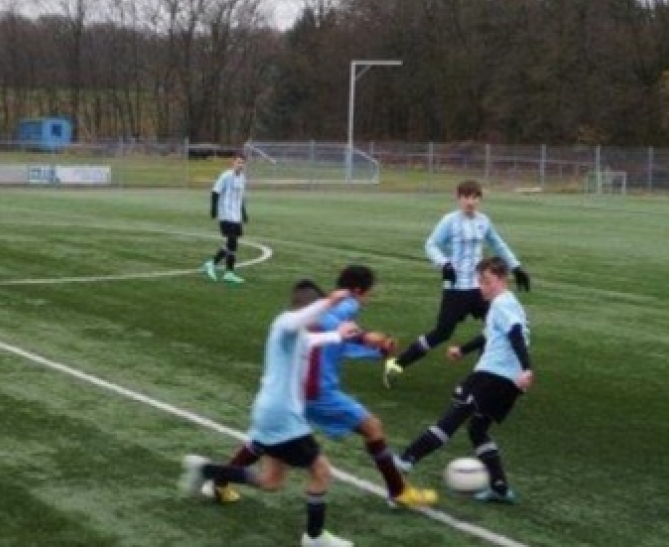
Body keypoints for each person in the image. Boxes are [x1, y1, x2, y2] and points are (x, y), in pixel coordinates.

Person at [204, 266, 438, 510]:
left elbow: (335, 339)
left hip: (293, 394)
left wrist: (372, 346)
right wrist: (371, 342)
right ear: (358, 291)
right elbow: (334, 330)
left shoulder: (321, 309)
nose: (369, 299)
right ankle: (398, 491)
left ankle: (219, 479)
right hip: (318, 393)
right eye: (369, 293)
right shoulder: (345, 307)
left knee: (267, 444)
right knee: (372, 428)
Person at [180, 283, 358, 547]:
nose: (320, 319)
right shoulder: (285, 322)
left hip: (270, 415)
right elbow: (297, 321)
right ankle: (314, 537)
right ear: (308, 308)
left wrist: (338, 335)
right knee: (321, 472)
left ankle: (206, 470)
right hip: (283, 418)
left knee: (271, 481)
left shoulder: (297, 336)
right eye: (318, 314)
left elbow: (311, 341)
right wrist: (330, 301)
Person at [396, 257, 533, 504]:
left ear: (502, 280)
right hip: (509, 382)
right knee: (478, 428)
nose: (482, 287)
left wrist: (527, 368)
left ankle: (407, 459)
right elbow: (490, 335)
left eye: (487, 281)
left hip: (492, 374)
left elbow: (515, 334)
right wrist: (463, 350)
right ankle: (500, 488)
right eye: (480, 281)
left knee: (456, 413)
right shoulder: (509, 304)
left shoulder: (501, 303)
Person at [384, 179, 530, 386]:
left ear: (480, 199)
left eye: (475, 197)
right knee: (442, 333)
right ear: (458, 198)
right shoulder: (449, 221)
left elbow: (498, 244)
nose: (470, 202)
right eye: (466, 197)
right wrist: (444, 263)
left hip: (479, 289)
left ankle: (485, 375)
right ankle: (396, 364)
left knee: (495, 327)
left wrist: (516, 267)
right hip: (455, 288)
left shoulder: (484, 221)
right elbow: (431, 245)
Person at [202, 155, 248, 284]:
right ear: (233, 162)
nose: (240, 165)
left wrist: (243, 212)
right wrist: (214, 208)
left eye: (243, 163)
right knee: (232, 241)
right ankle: (229, 272)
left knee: (232, 243)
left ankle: (212, 263)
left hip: (236, 215)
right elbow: (215, 192)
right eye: (238, 162)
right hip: (225, 214)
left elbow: (240, 197)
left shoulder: (242, 178)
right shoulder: (226, 176)